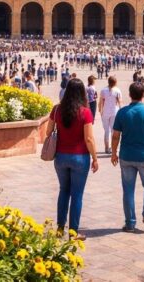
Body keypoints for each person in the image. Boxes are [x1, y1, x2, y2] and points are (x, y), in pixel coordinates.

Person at [46, 78, 98, 238]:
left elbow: (48, 132)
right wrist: (95, 158)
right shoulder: (85, 112)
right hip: (80, 157)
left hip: (61, 156)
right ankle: (73, 232)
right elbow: (89, 139)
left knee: (64, 191)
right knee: (77, 195)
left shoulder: (57, 110)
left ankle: (60, 228)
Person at [111, 82, 144, 232]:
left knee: (128, 189)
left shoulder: (122, 112)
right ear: (143, 94)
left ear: (129, 94)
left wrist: (114, 153)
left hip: (126, 156)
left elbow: (115, 136)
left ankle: (130, 223)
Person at [99, 76, 122, 153]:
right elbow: (119, 102)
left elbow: (101, 102)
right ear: (115, 82)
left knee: (106, 131)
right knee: (113, 130)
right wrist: (121, 110)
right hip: (114, 112)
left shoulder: (103, 90)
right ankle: (113, 148)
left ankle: (106, 147)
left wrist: (100, 111)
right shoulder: (117, 91)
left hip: (105, 112)